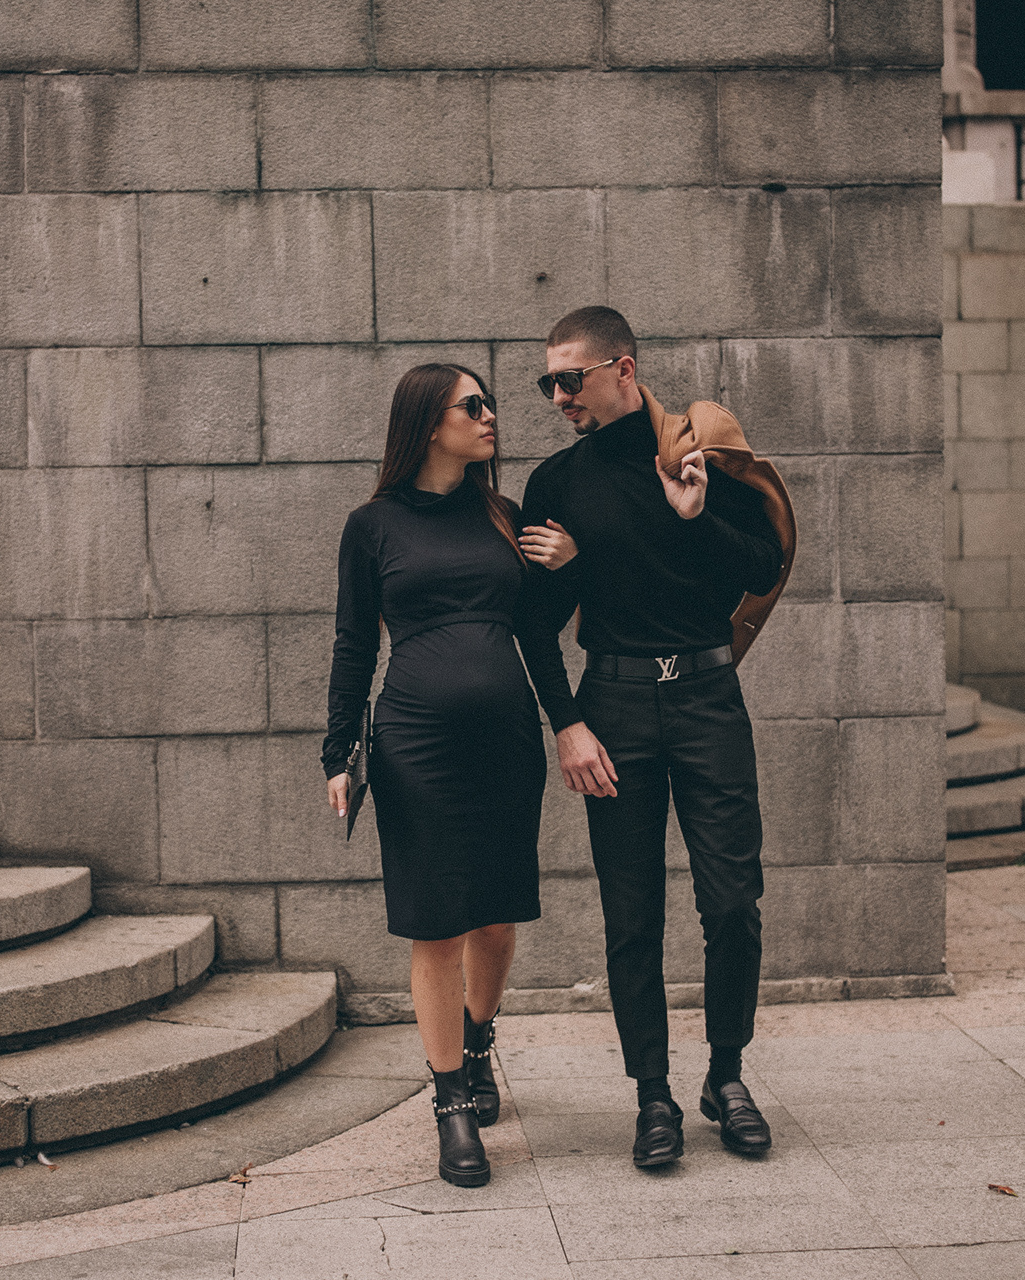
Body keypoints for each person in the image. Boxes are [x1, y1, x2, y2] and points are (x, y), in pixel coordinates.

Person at [517, 306, 790, 1169]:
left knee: (733, 902)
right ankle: (653, 1097)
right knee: (631, 914)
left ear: (623, 370)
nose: (558, 397)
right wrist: (568, 725)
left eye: (571, 380)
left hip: (708, 697)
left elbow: (761, 566)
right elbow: (534, 624)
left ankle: (726, 1077)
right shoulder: (556, 483)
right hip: (615, 706)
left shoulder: (694, 452)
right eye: (548, 383)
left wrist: (694, 515)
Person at [321, 362, 577, 1189]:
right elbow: (353, 643)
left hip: (507, 742)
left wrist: (568, 718)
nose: (491, 414)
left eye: (489, 402)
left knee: (495, 920)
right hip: (415, 747)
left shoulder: (504, 515)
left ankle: (477, 1040)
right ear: (430, 423)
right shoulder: (372, 526)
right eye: (474, 405)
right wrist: (337, 753)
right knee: (435, 927)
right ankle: (451, 1105)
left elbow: (539, 633)